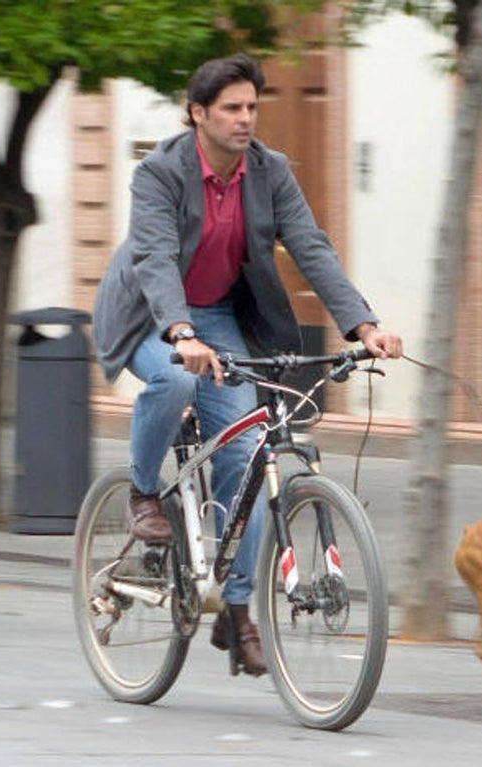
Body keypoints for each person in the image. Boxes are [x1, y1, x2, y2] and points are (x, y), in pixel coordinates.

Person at [92, 53, 403, 677]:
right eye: (231, 108)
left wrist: (363, 325)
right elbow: (154, 257)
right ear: (198, 114)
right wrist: (180, 332)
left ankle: (236, 614)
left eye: (251, 107)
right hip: (150, 315)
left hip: (218, 317)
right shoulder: (159, 173)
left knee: (248, 452)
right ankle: (144, 492)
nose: (245, 119)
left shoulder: (270, 171)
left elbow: (311, 247)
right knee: (176, 375)